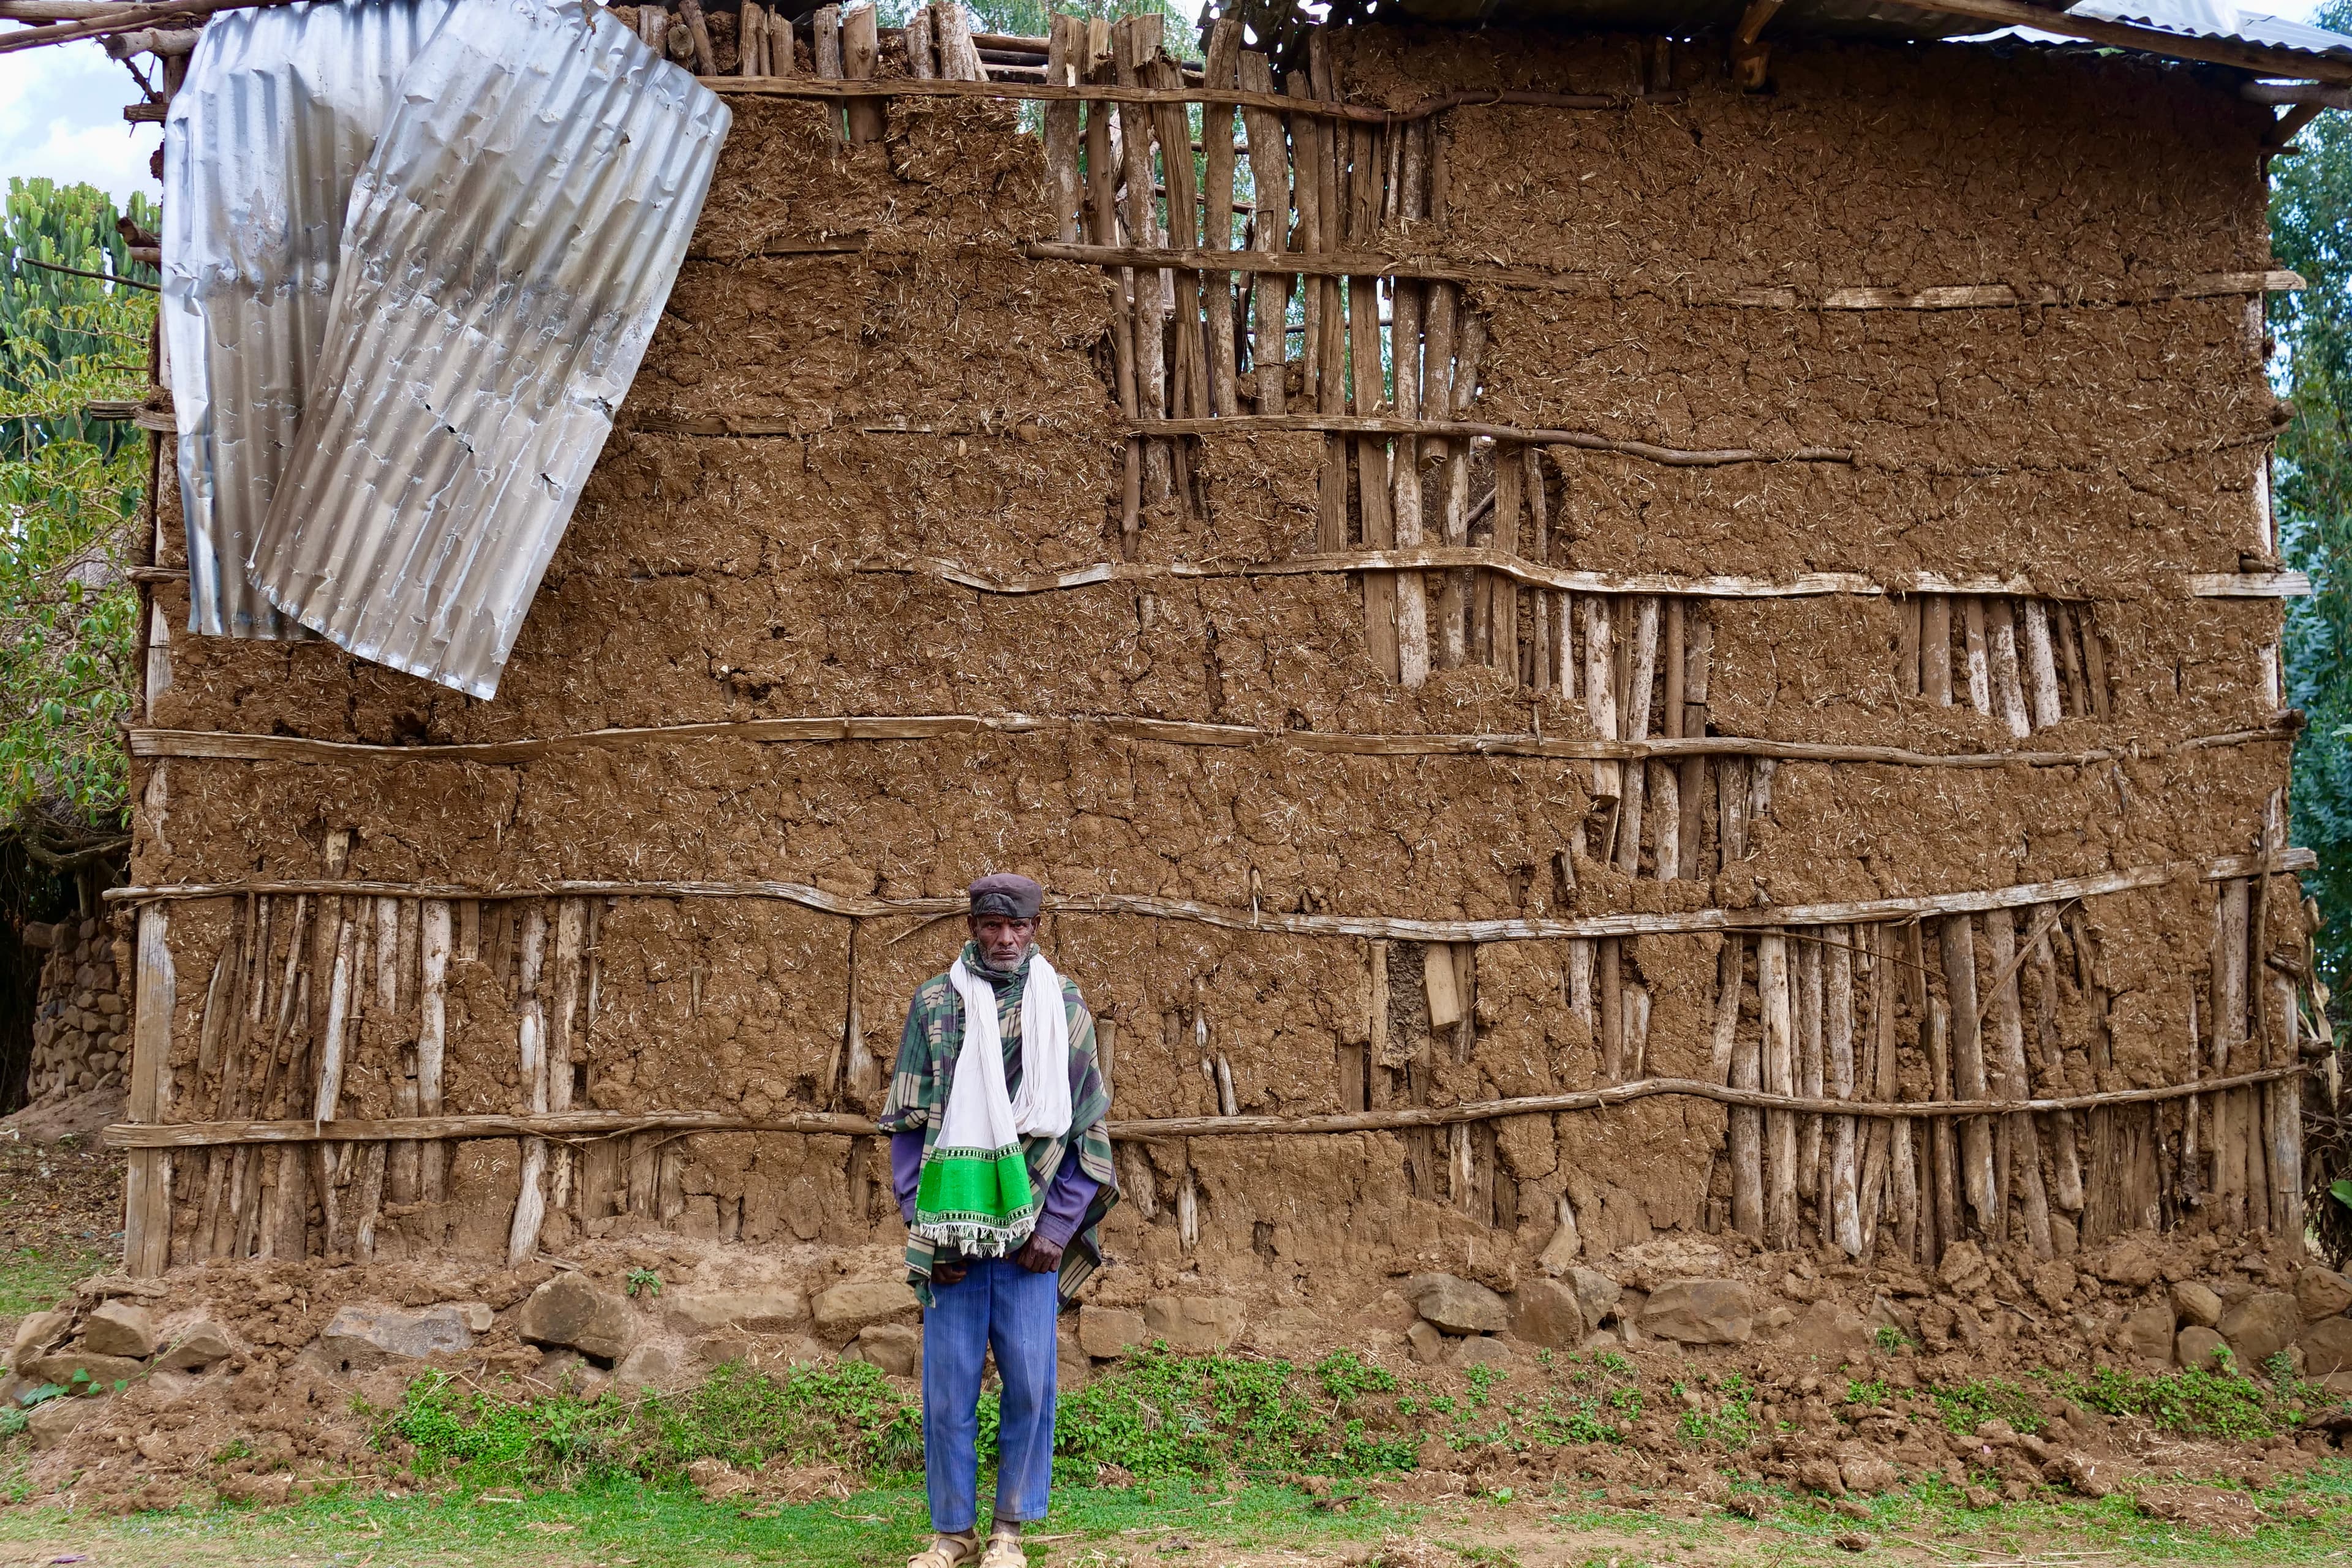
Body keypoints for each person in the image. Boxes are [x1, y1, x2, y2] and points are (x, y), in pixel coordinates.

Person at [878, 872, 1118, 1568]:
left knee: (1031, 1386)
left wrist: (1056, 1226)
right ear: (972, 923)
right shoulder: (934, 1006)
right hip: (955, 1236)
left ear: (1038, 927)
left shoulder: (1063, 1005)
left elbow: (1087, 1132)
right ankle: (951, 1533)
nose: (1005, 938)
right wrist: (924, 1226)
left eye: (1018, 926)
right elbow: (907, 1126)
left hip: (1031, 1246)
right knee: (947, 1388)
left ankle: (1009, 1530)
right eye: (992, 925)